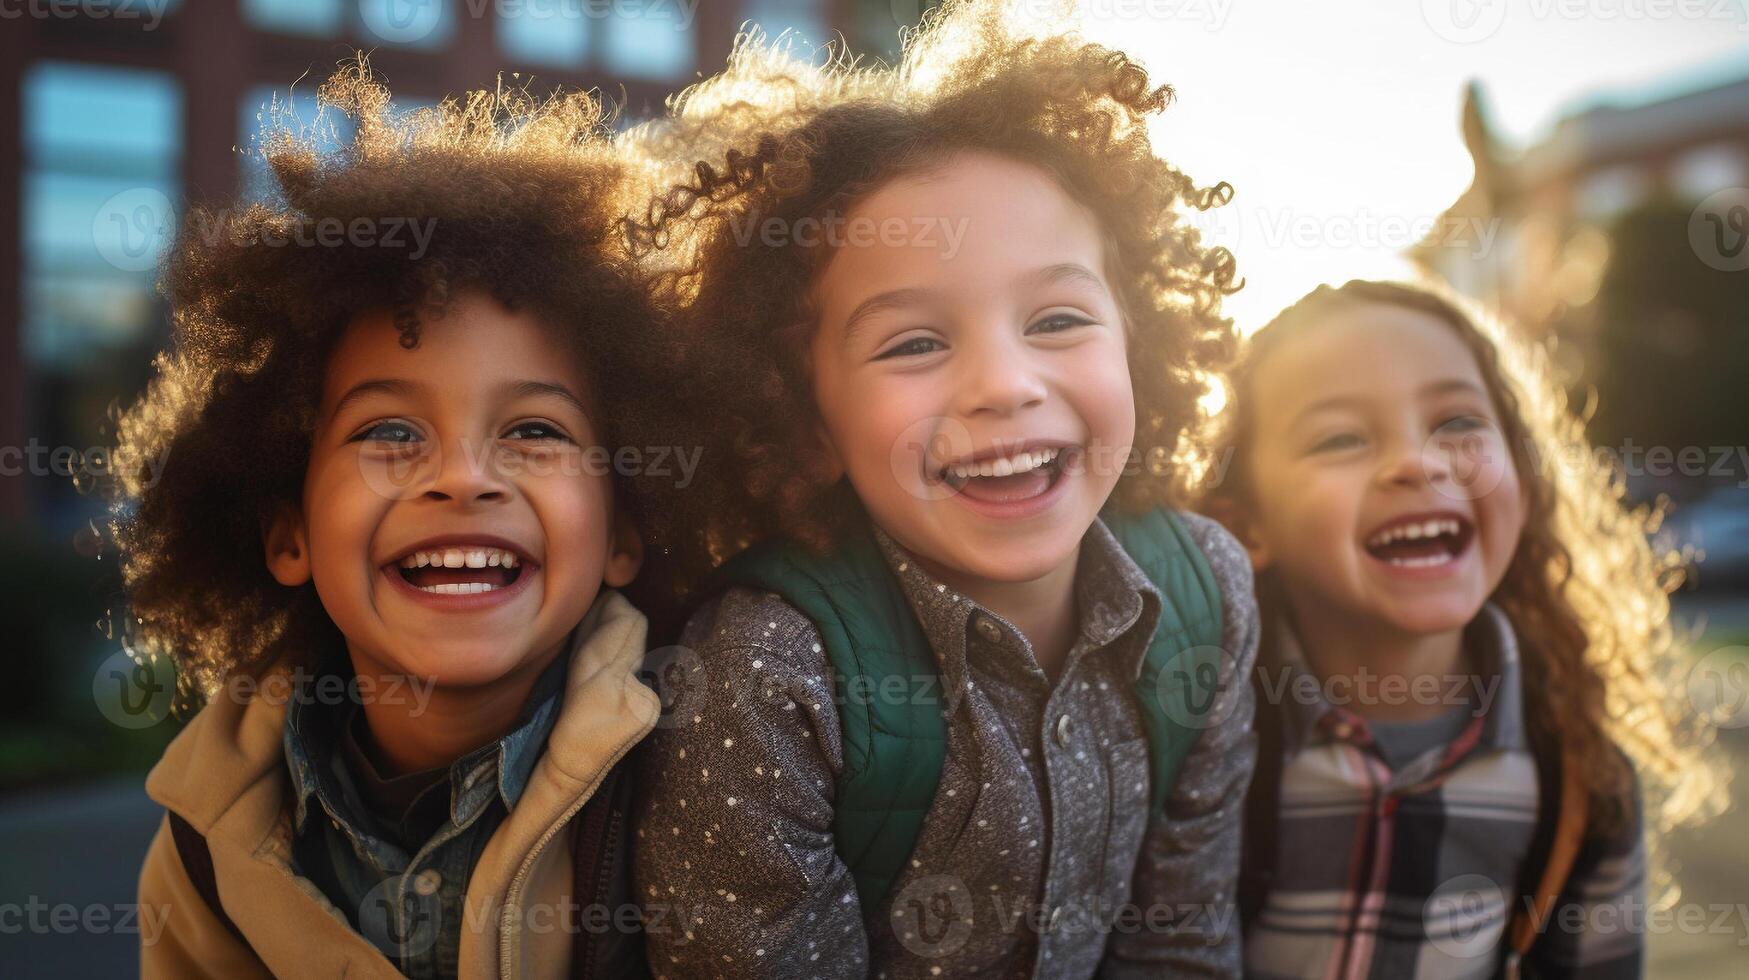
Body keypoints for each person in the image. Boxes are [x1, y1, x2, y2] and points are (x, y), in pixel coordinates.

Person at [626, 2, 1260, 975]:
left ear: (1141, 337)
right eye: (915, 341)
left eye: (1056, 317)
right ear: (805, 415)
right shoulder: (768, 667)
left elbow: (1183, 944)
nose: (1006, 382)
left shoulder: (1206, 590)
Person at [121, 63, 674, 979]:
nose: (461, 478)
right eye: (388, 431)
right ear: (288, 532)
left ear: (623, 531)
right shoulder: (200, 848)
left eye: (534, 430)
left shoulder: (704, 772)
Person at [1204, 279, 1722, 979]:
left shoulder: (1576, 782)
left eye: (1455, 424)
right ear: (1245, 525)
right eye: (1339, 437)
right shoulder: (1194, 737)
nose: (1416, 462)